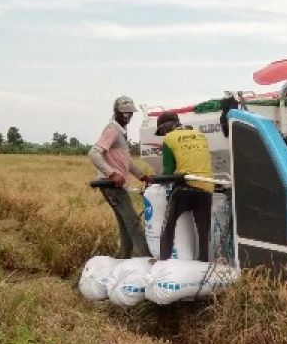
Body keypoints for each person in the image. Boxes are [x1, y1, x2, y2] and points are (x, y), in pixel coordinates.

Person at [89, 95, 152, 258]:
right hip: (111, 185)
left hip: (117, 185)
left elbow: (126, 161)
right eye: (125, 113)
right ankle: (147, 259)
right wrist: (112, 173)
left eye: (130, 113)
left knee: (125, 224)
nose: (128, 116)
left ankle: (125, 258)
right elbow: (94, 153)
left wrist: (141, 175)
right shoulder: (112, 129)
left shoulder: (121, 132)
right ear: (117, 112)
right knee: (133, 223)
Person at [155, 110, 214, 261]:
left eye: (161, 131)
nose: (162, 134)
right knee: (203, 232)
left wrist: (155, 179)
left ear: (165, 127)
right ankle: (203, 263)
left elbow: (168, 171)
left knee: (168, 225)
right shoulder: (200, 135)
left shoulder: (169, 138)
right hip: (207, 187)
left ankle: (163, 260)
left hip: (184, 188)